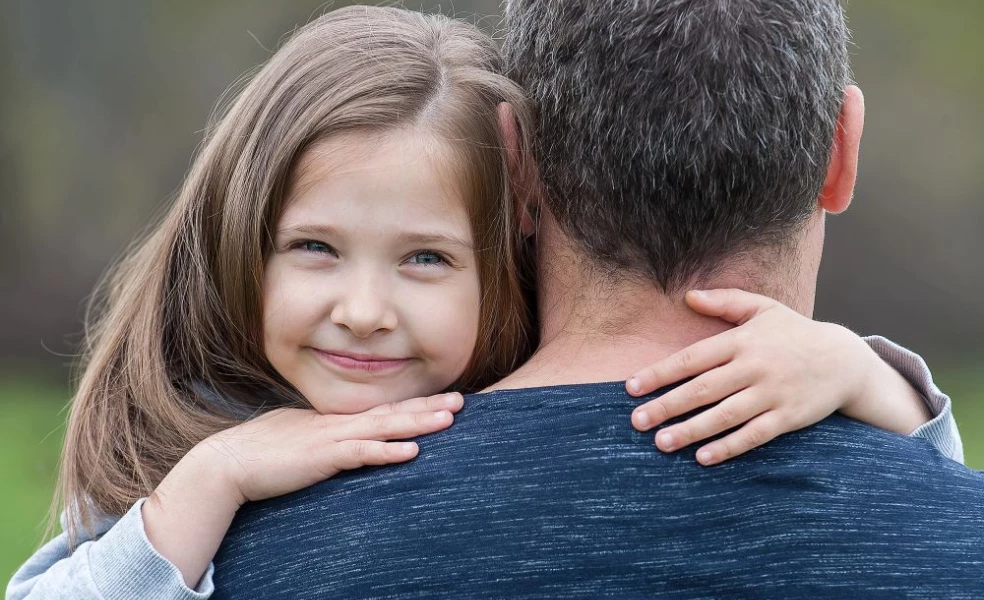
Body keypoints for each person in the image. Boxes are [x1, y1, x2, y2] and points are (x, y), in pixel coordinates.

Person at [4, 4, 968, 600]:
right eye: (314, 250)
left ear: (518, 173)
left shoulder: (263, 560)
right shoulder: (181, 493)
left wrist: (872, 380)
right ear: (843, 151)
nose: (366, 312)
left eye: (424, 258)